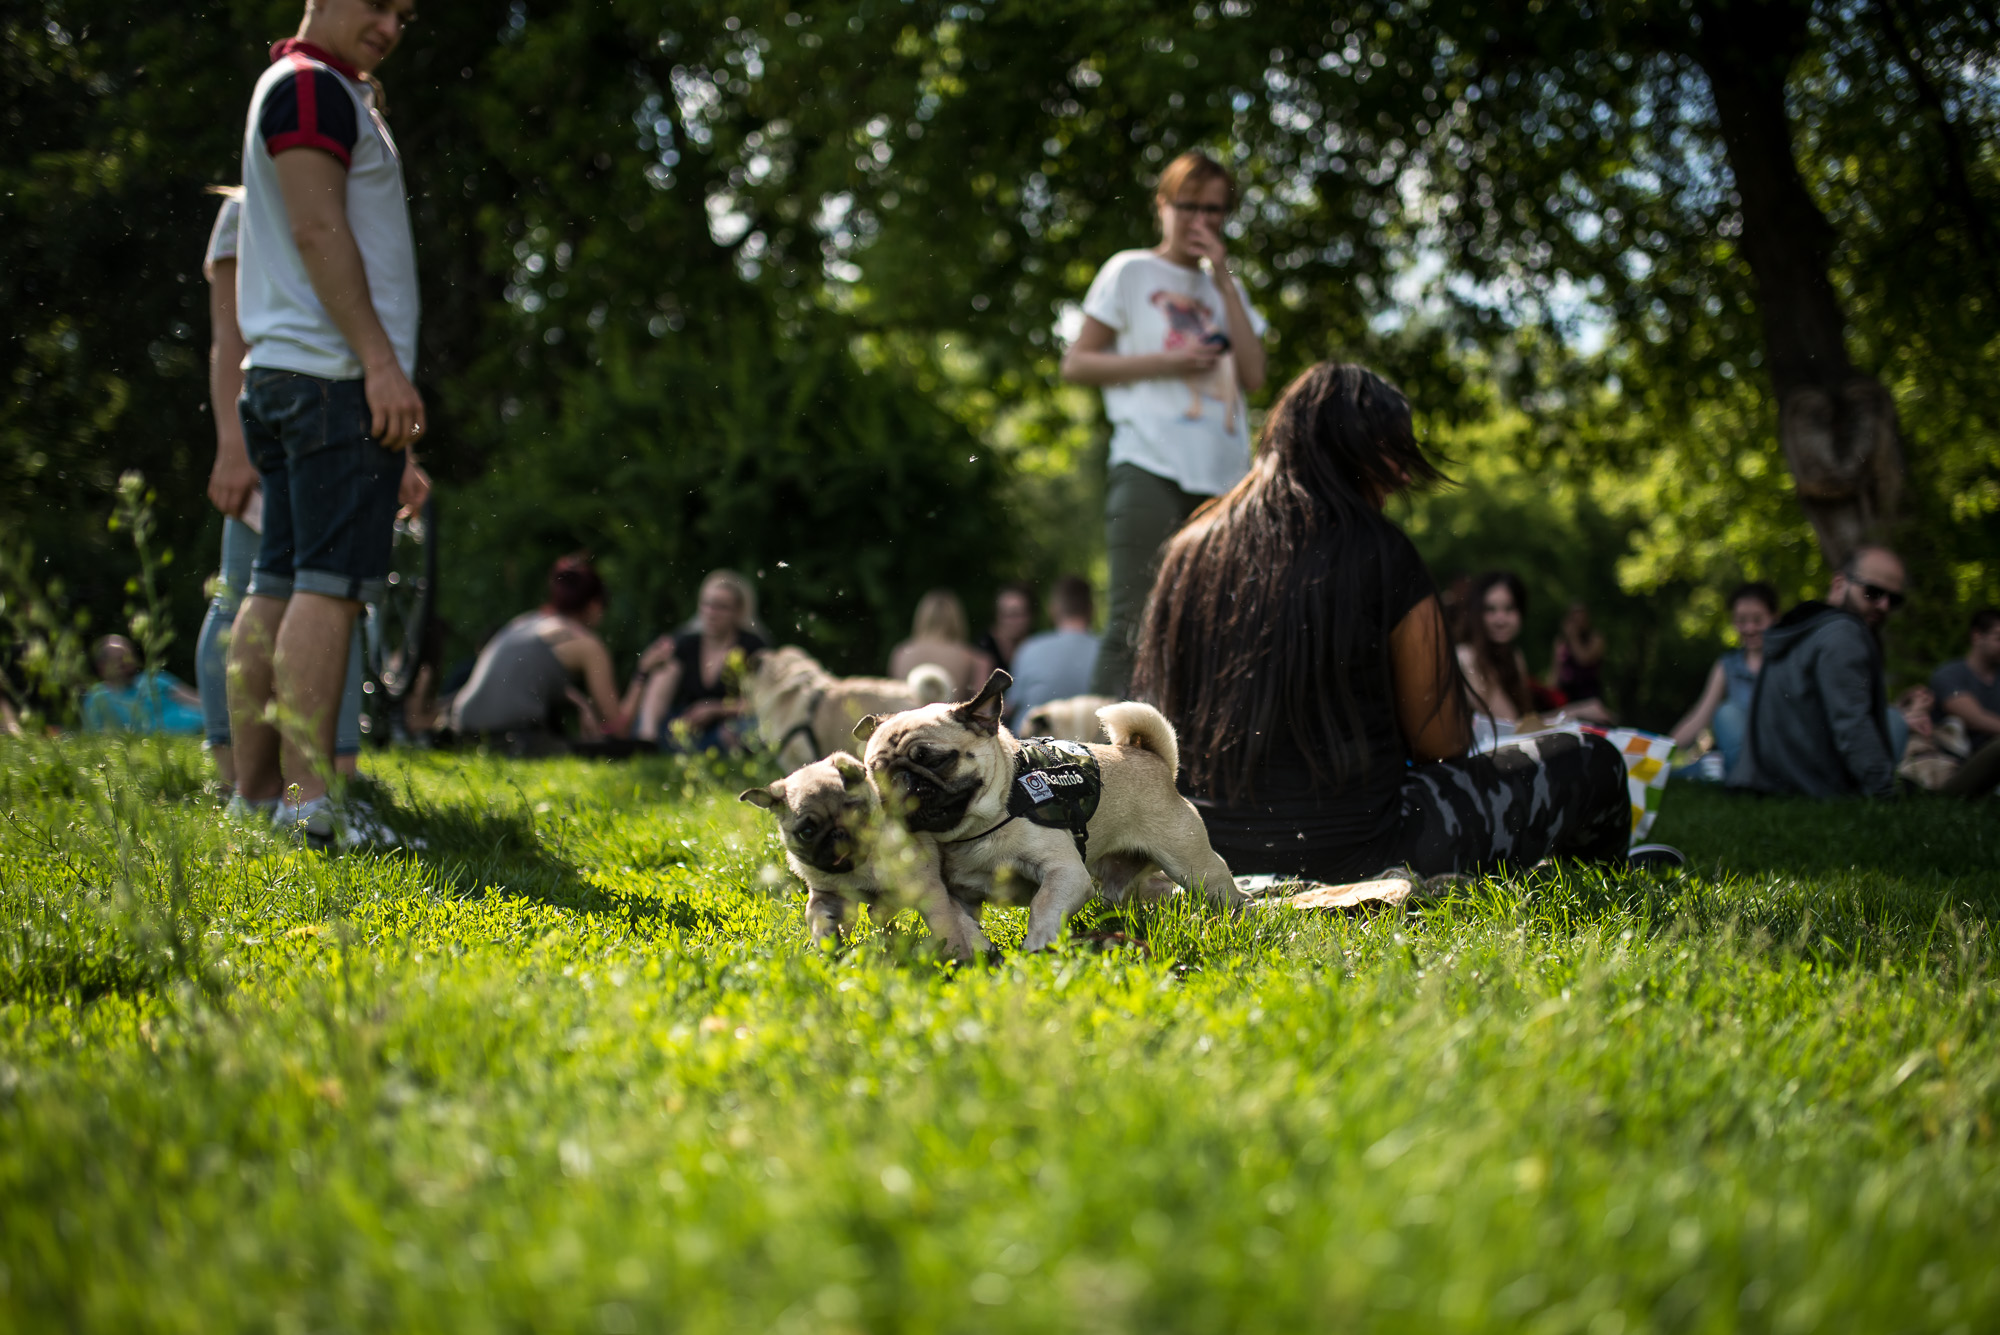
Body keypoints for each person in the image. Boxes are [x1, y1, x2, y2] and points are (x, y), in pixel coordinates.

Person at [1133, 363, 1649, 883]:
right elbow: (1440, 741)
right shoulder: (1382, 552)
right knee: (1594, 758)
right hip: (1365, 851)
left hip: (1203, 852)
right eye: (1392, 452)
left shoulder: (1190, 551)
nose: (1403, 474)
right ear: (1350, 449)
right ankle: (1594, 875)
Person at [224, 0, 424, 846]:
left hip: (291, 374)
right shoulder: (310, 87)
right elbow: (315, 226)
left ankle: (259, 797)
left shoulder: (320, 86)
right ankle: (312, 809)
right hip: (331, 377)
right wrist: (380, 363)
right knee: (329, 587)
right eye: (377, 4)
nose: (389, 25)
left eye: (405, 15)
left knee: (276, 581)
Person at [194, 185, 401, 793]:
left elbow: (375, 327)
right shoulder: (243, 211)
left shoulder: (352, 204)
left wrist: (400, 446)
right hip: (279, 417)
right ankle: (238, 775)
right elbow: (228, 337)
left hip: (347, 415)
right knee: (249, 591)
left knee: (334, 592)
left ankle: (325, 777)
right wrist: (232, 445)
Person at [1062, 149, 1269, 698]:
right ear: (1162, 205)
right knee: (1134, 620)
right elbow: (1077, 363)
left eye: (1215, 210)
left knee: (1220, 628)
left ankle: (1199, 766)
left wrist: (1222, 278)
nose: (1202, 221)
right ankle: (1093, 766)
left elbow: (1254, 376)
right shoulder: (1129, 270)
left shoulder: (1230, 288)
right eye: (1189, 206)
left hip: (1224, 482)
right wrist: (1167, 362)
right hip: (1148, 463)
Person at [1727, 546, 1904, 798]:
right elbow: (1851, 723)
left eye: (1894, 599)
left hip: (1772, 778)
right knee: (1896, 721)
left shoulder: (1807, 625)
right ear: (1840, 583)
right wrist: (1886, 793)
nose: (1884, 605)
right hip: (1815, 785)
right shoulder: (1844, 634)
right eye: (1873, 592)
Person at [447, 556, 629, 752]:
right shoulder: (587, 644)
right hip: (509, 738)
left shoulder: (524, 622)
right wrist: (642, 676)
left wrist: (580, 703)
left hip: (461, 730)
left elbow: (523, 675)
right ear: (594, 605)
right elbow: (615, 727)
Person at [631, 570, 768, 751]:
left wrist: (714, 709)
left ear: (738, 611)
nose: (711, 613)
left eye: (721, 607)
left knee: (742, 729)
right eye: (707, 604)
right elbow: (659, 688)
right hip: (688, 725)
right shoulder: (686, 642)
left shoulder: (752, 646)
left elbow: (760, 702)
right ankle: (648, 741)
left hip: (727, 727)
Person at [1669, 581, 1779, 775]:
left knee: (1727, 714)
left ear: (1774, 618)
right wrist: (1664, 750)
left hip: (1776, 752)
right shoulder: (1727, 666)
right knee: (1680, 772)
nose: (1750, 628)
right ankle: (1742, 773)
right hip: (1738, 754)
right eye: (1742, 620)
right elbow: (1700, 715)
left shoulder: (1787, 660)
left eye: (1758, 620)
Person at [1005, 576, 1101, 730]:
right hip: (1092, 748)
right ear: (1091, 609)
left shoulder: (1029, 648)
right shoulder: (1107, 652)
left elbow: (1010, 707)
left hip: (1033, 748)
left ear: (1053, 609)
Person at [1455, 572, 1536, 742]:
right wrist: (1575, 712)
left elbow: (1526, 721)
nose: (1501, 620)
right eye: (1490, 610)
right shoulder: (1466, 656)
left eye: (1509, 609)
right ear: (1476, 614)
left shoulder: (1514, 656)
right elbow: (1510, 722)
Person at [81, 637, 205, 735]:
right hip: (165, 739)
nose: (126, 662)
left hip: (206, 725)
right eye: (118, 659)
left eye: (128, 657)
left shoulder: (153, 678)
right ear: (101, 666)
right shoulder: (98, 698)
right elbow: (96, 734)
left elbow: (196, 699)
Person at [886, 590, 994, 698]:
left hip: (909, 714)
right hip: (949, 714)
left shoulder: (900, 653)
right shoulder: (973, 658)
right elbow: (982, 707)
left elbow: (891, 697)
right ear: (957, 619)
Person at [1551, 601, 1613, 721]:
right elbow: (1555, 671)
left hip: (1589, 694)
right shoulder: (1561, 642)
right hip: (1566, 695)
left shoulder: (1596, 638)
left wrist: (1574, 637)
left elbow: (1583, 660)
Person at [976, 582, 1034, 674]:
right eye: (1005, 614)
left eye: (1016, 614)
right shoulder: (984, 648)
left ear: (1029, 616)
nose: (1011, 621)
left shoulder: (1035, 647)